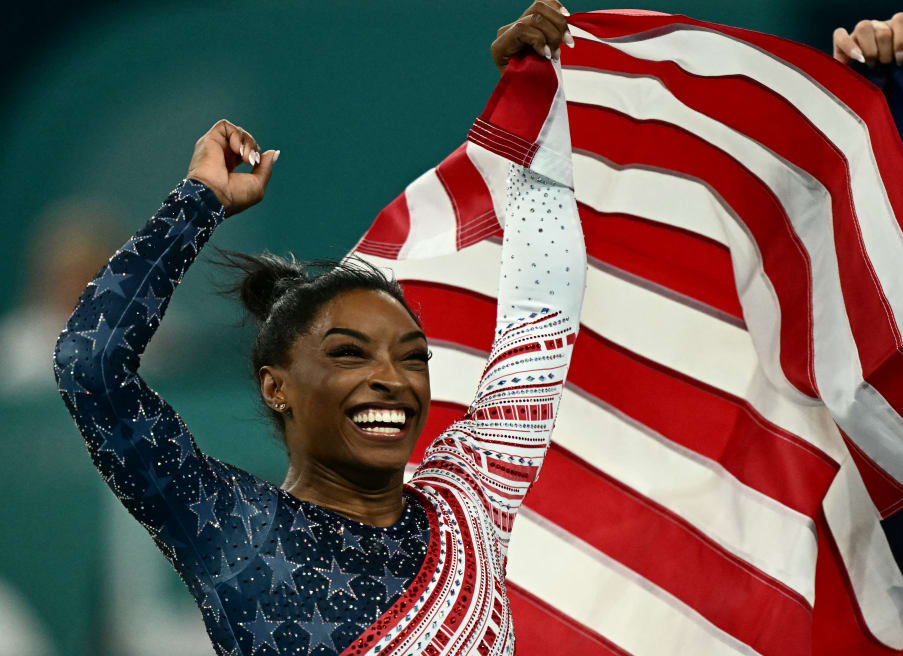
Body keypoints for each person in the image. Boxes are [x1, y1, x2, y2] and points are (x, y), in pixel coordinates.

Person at [52, 2, 581, 654]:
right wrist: (198, 202)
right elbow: (90, 364)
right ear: (277, 387)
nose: (391, 378)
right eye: (350, 354)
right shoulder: (233, 529)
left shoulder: (468, 504)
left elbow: (541, 311)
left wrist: (532, 97)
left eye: (411, 357)